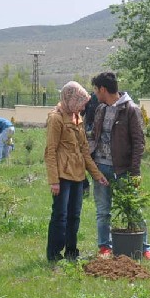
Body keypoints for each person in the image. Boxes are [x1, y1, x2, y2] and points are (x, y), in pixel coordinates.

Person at [87, 72, 150, 260]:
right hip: (100, 169)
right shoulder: (100, 109)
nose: (95, 94)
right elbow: (94, 135)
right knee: (102, 211)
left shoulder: (131, 110)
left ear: (103, 89)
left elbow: (138, 142)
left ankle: (144, 247)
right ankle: (104, 248)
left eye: (96, 90)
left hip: (122, 170)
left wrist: (135, 172)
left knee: (133, 208)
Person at [45, 82, 108, 262]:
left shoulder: (77, 118)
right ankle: (54, 255)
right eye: (80, 102)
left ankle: (72, 252)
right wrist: (54, 181)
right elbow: (50, 151)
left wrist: (97, 175)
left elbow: (84, 151)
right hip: (63, 176)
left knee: (75, 215)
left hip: (78, 176)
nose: (83, 106)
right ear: (70, 99)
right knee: (60, 216)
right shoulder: (56, 119)